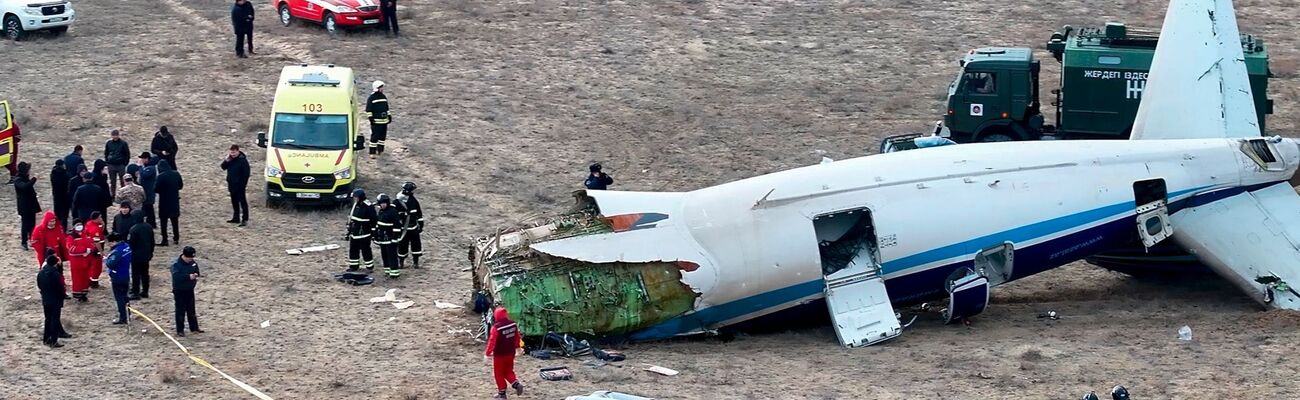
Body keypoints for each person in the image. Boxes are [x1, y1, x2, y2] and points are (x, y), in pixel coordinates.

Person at [484, 307, 525, 399]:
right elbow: (517, 337)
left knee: (498, 373)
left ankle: (502, 393)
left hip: (499, 354)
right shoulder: (513, 324)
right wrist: (518, 348)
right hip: (510, 353)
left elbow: (492, 341)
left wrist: (487, 353)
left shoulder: (496, 327)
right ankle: (516, 384)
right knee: (508, 371)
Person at [37, 250, 69, 348]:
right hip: (55, 300)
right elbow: (59, 288)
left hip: (46, 299)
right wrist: (63, 295)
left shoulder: (41, 273)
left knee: (47, 319)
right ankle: (54, 341)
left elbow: (39, 285)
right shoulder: (55, 274)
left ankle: (46, 339)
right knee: (54, 320)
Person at [171, 246, 203, 337]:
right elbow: (176, 277)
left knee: (191, 309)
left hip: (190, 289)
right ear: (185, 256)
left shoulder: (192, 262)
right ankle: (180, 330)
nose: (191, 259)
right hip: (180, 291)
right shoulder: (176, 264)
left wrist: (196, 274)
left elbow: (196, 270)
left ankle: (194, 327)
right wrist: (188, 277)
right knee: (180, 311)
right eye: (190, 257)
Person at [345, 189, 377, 272]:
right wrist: (349, 228)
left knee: (365, 250)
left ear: (361, 197)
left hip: (364, 233)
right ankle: (354, 266)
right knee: (353, 249)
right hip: (354, 231)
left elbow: (374, 220)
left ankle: (369, 267)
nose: (354, 199)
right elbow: (351, 216)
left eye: (356, 197)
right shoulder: (356, 204)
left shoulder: (368, 206)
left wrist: (373, 233)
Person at [66, 220, 97, 302]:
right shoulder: (71, 237)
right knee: (77, 278)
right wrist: (84, 250)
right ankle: (78, 294)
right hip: (76, 262)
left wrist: (90, 249)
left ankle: (84, 293)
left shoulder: (86, 234)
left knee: (85, 278)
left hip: (86, 260)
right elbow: (71, 249)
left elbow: (92, 243)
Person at [374, 194, 404, 278]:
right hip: (383, 237)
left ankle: (394, 272)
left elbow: (397, 225)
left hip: (390, 238)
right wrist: (376, 234)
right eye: (381, 203)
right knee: (384, 254)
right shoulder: (381, 211)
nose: (382, 205)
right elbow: (378, 223)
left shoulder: (393, 211)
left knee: (392, 255)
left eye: (384, 203)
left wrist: (395, 237)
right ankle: (387, 270)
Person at [105, 233, 132, 324]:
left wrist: (106, 259)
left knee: (119, 298)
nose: (109, 245)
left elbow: (110, 264)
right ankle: (128, 314)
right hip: (126, 275)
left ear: (114, 241)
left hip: (117, 277)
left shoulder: (117, 252)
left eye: (110, 243)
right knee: (125, 296)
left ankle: (123, 318)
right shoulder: (127, 246)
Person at [154, 160, 183, 246]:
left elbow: (156, 189)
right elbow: (180, 186)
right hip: (174, 201)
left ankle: (165, 239)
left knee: (164, 222)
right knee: (175, 220)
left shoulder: (161, 176)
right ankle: (176, 238)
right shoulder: (176, 174)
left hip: (164, 202)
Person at [395, 181, 424, 268]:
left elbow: (419, 213)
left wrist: (420, 224)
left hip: (413, 228)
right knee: (402, 246)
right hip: (403, 229)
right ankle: (401, 262)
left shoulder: (414, 201)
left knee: (416, 245)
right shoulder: (397, 201)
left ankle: (416, 262)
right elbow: (393, 214)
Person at [220, 145, 250, 226]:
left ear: (238, 151)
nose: (232, 154)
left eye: (234, 152)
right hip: (231, 184)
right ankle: (236, 218)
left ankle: (245, 219)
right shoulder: (230, 159)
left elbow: (246, 174)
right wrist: (226, 161)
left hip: (240, 186)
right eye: (231, 152)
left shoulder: (243, 161)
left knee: (242, 202)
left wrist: (243, 185)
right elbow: (223, 167)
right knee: (234, 202)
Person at [127, 210, 154, 299]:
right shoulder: (148, 227)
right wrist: (151, 252)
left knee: (135, 274)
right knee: (145, 273)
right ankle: (145, 291)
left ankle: (136, 292)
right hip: (146, 254)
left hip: (136, 255)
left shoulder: (133, 229)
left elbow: (131, 243)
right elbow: (152, 241)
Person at [126, 152, 158, 227]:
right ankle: (151, 222)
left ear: (147, 159)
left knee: (149, 207)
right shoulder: (146, 167)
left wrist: (140, 167)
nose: (141, 160)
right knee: (147, 207)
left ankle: (151, 223)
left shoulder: (151, 168)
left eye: (143, 158)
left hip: (149, 192)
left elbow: (144, 175)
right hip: (145, 191)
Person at [14, 162, 40, 250]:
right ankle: (24, 242)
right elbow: (25, 187)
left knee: (32, 223)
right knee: (25, 224)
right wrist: (34, 179)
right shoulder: (18, 180)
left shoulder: (25, 178)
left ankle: (32, 239)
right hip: (24, 206)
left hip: (31, 204)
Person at [365, 81, 391, 159]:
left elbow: (386, 108)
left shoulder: (383, 97)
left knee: (382, 137)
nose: (382, 89)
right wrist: (371, 118)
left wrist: (389, 116)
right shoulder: (371, 98)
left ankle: (380, 150)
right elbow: (368, 110)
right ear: (377, 88)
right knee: (375, 137)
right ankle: (372, 152)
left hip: (384, 121)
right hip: (376, 122)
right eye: (381, 87)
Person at [84, 212, 107, 289]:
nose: (101, 218)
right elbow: (97, 242)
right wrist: (101, 252)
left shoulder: (89, 224)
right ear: (96, 218)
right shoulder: (95, 229)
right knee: (97, 266)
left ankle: (90, 279)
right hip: (95, 249)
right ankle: (94, 282)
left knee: (91, 265)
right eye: (100, 217)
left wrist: (103, 225)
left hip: (90, 247)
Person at [104, 130, 131, 195]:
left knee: (123, 181)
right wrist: (107, 162)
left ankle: (123, 195)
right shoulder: (108, 143)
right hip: (111, 165)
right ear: (111, 136)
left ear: (118, 135)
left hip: (120, 165)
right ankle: (113, 195)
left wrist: (125, 163)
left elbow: (127, 154)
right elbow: (106, 153)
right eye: (113, 135)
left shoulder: (123, 143)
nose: (115, 137)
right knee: (112, 182)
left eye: (116, 135)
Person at [50, 159, 71, 228]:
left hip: (56, 197)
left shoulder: (53, 175)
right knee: (64, 216)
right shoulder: (66, 175)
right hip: (65, 198)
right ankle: (63, 230)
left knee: (57, 215)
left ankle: (57, 229)